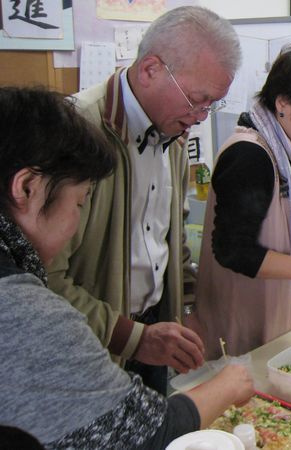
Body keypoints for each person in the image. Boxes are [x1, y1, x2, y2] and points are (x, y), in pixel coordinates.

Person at [0, 86, 254, 448]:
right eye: (79, 203)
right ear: (27, 188)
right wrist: (226, 386)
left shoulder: (174, 145)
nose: (201, 114)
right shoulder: (26, 314)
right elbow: (145, 436)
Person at [46, 5, 242, 395]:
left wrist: (188, 306)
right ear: (151, 69)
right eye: (197, 100)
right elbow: (44, 278)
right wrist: (132, 338)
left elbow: (169, 238)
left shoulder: (174, 133)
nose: (202, 117)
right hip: (89, 345)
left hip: (154, 330)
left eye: (212, 105)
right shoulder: (75, 132)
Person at [187, 47, 291, 359]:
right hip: (245, 311)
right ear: (283, 103)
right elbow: (233, 251)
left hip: (274, 304)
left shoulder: (285, 151)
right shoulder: (249, 155)